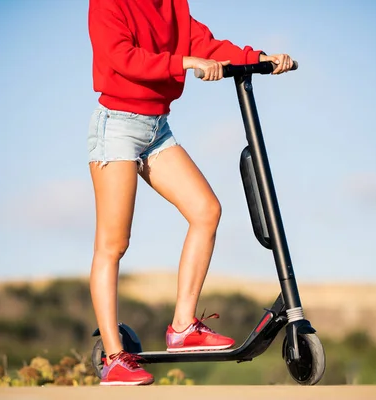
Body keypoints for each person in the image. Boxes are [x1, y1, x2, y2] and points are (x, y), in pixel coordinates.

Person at [87, 0, 294, 386]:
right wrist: (183, 62)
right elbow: (122, 58)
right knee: (113, 244)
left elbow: (208, 45)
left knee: (206, 210)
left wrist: (261, 58)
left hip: (155, 127)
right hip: (116, 124)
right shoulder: (107, 4)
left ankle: (183, 327)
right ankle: (115, 357)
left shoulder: (172, 6)